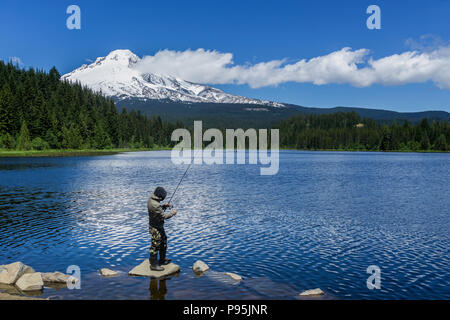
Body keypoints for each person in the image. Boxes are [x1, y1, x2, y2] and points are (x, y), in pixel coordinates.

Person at [148, 186, 177, 271]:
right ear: (159, 196)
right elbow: (164, 216)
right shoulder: (155, 204)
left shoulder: (152, 198)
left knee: (164, 240)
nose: (162, 199)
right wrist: (173, 213)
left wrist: (164, 206)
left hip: (158, 225)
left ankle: (162, 259)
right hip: (154, 227)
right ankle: (153, 265)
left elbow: (157, 209)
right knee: (155, 244)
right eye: (162, 198)